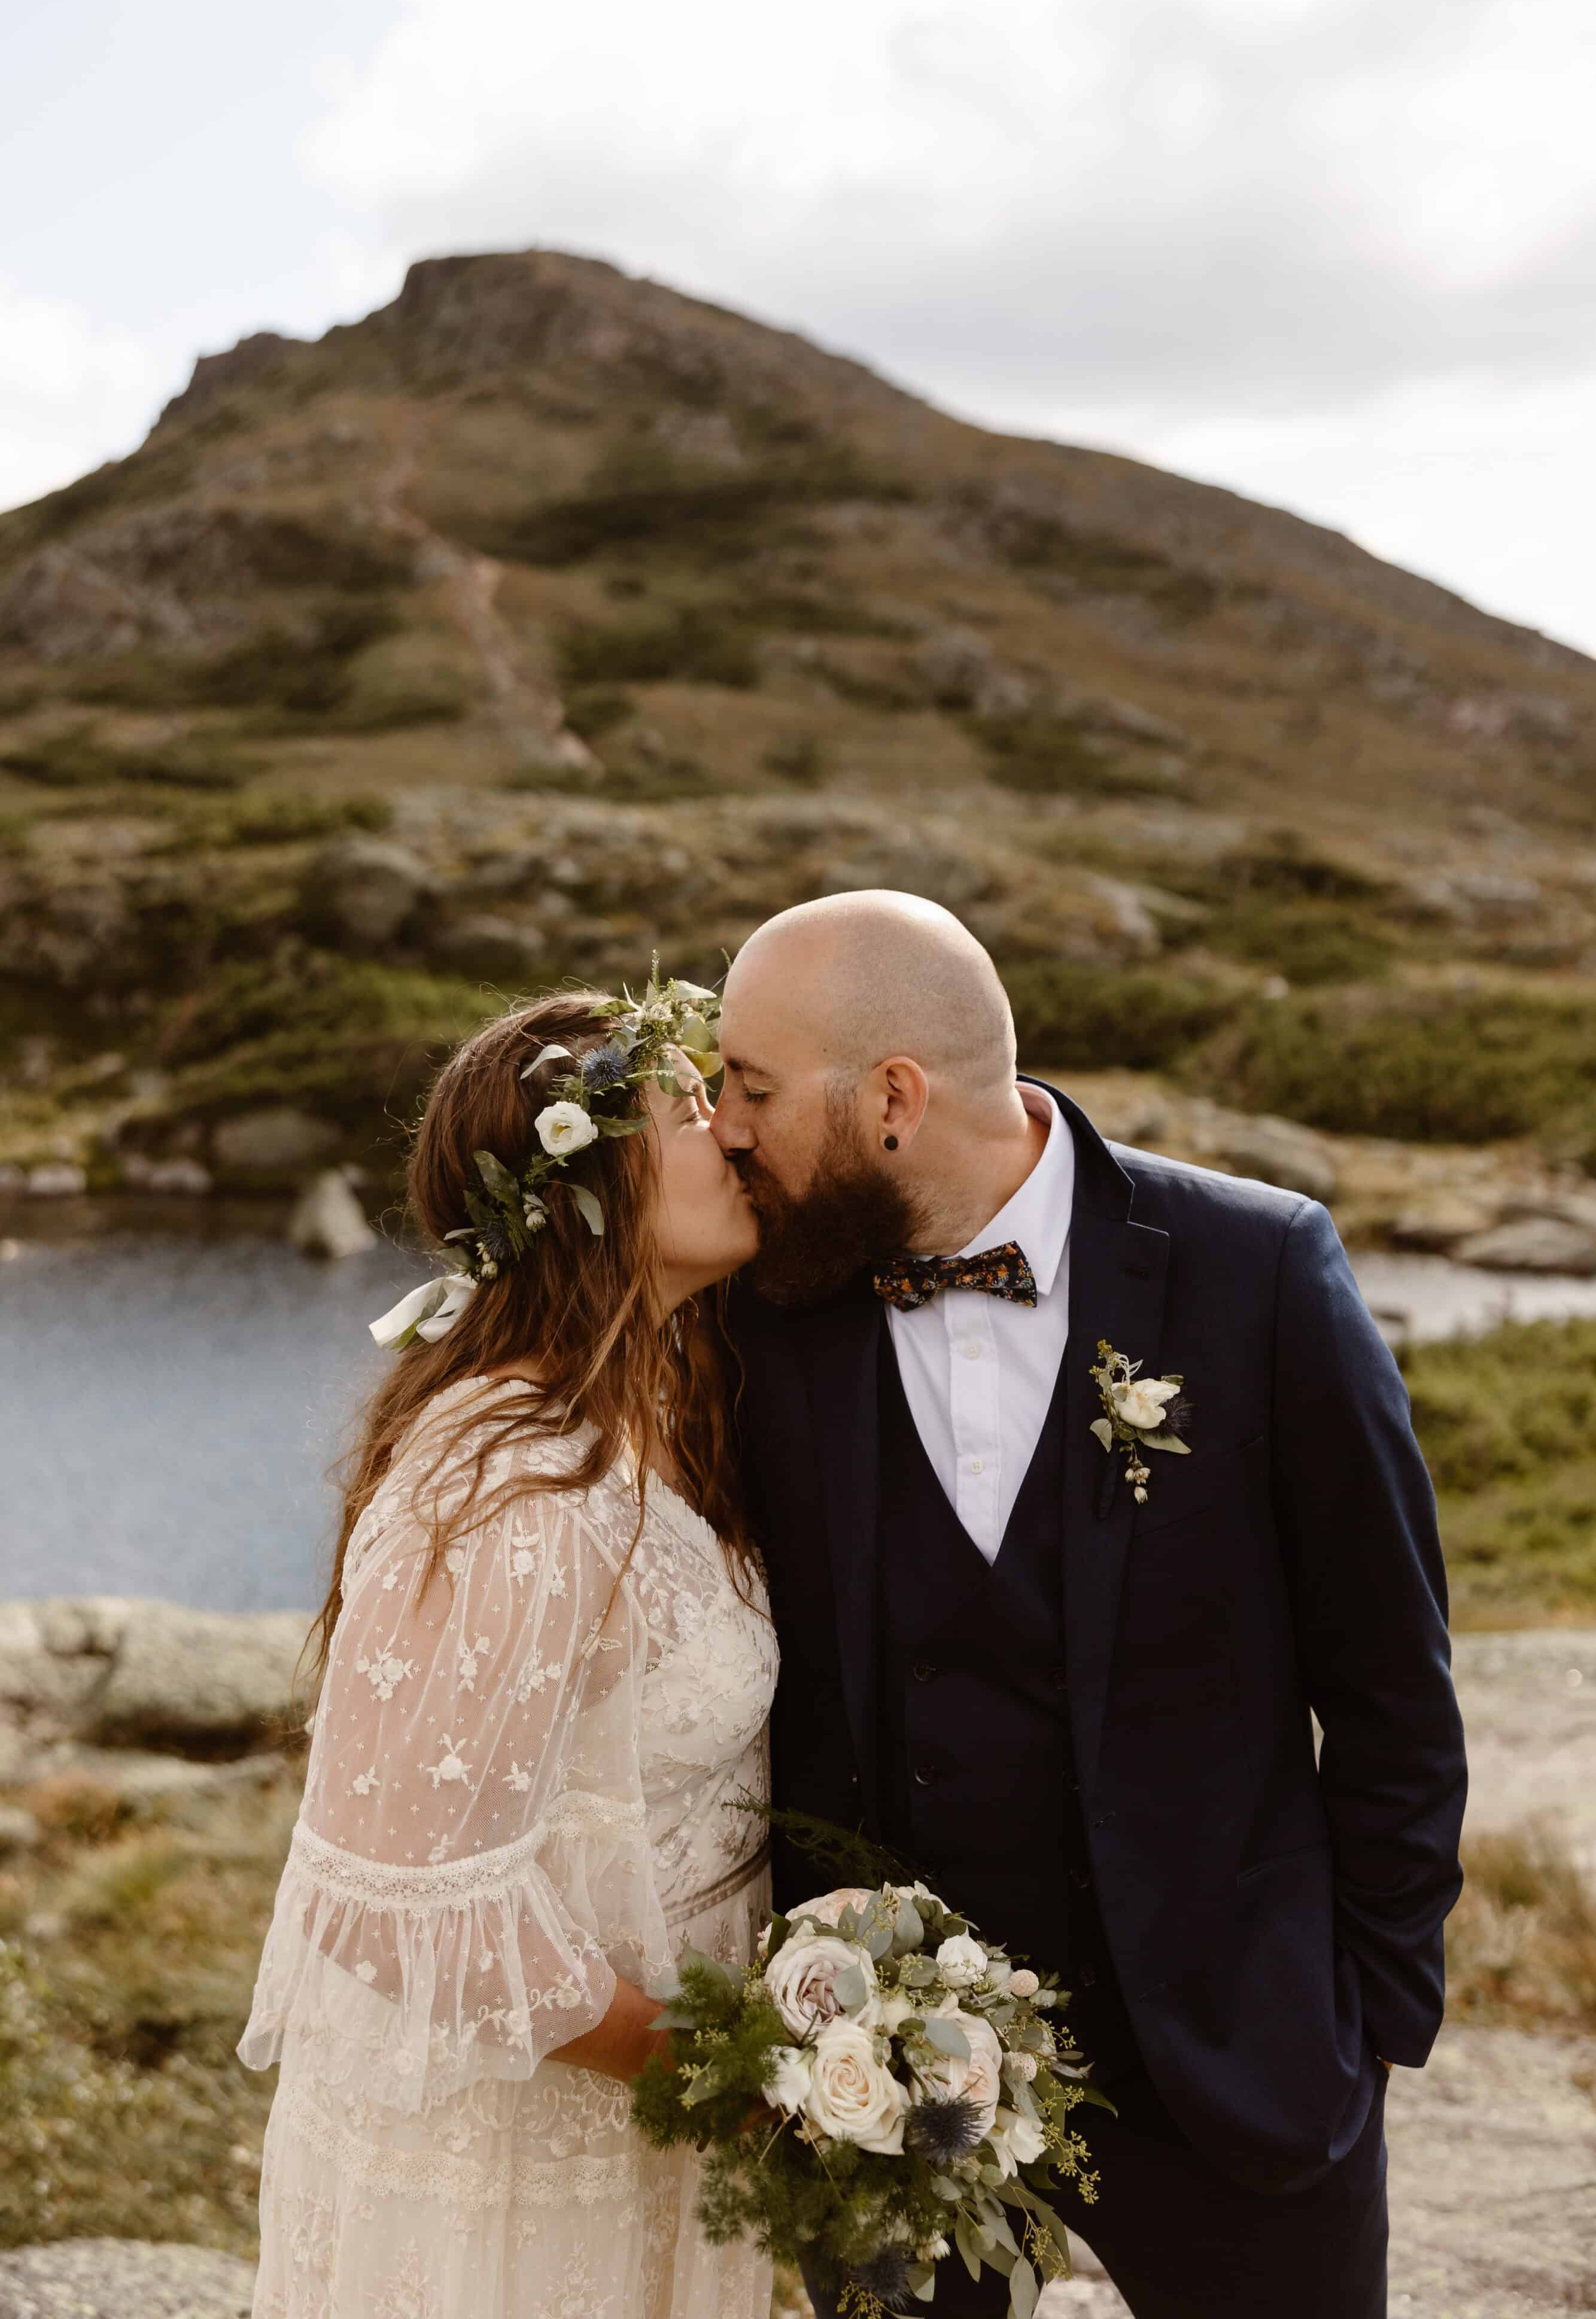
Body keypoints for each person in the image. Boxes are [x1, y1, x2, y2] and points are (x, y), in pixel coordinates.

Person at [714, 890, 1468, 2319]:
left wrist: (1364, 2010)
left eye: (752, 1088)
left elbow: (1389, 1683)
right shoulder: (765, 1299)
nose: (729, 1127)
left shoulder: (1256, 1268)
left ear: (890, 1097)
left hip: (1235, 2055)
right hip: (881, 2068)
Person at [239, 983, 776, 2319]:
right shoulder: (513, 1475)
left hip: (644, 2124)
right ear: (585, 1185)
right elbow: (392, 1898)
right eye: (691, 1109)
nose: (736, 1134)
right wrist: (716, 2066)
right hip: (522, 2154)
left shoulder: (665, 1401)